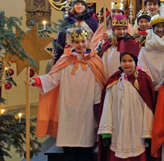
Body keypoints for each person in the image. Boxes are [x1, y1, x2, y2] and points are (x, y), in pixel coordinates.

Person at [31, 29, 106, 161]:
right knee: (69, 150)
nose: (80, 45)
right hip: (68, 109)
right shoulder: (65, 60)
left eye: (83, 41)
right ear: (72, 43)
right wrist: (37, 80)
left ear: (88, 41)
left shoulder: (95, 60)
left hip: (87, 110)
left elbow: (98, 84)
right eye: (76, 42)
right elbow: (53, 78)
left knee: (86, 148)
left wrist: (97, 104)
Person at [98, 38, 156, 161]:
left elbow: (148, 108)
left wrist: (147, 132)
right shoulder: (114, 82)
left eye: (130, 60)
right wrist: (106, 131)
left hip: (137, 131)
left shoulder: (143, 81)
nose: (127, 64)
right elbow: (107, 107)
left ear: (136, 62)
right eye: (124, 61)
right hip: (118, 130)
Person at [54, 0, 98, 64]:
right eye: (77, 4)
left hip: (87, 55)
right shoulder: (67, 21)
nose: (79, 6)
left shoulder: (92, 21)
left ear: (85, 7)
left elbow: (96, 39)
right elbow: (60, 40)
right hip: (69, 55)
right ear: (73, 6)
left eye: (82, 4)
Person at [138, 4, 164, 88]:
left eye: (163, 26)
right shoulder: (146, 44)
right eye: (158, 26)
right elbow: (142, 65)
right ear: (153, 28)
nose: (160, 29)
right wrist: (150, 82)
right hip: (149, 86)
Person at [99, 14, 133, 79]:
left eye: (124, 29)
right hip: (111, 74)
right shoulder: (109, 44)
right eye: (118, 29)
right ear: (114, 30)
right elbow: (105, 62)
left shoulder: (130, 42)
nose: (122, 31)